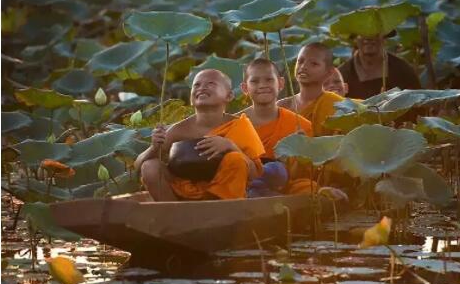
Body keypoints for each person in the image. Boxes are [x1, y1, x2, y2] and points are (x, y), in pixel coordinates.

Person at [135, 69, 265, 201]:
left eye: (210, 84)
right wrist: (154, 148)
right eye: (196, 85)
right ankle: (174, 215)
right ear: (191, 98)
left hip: (227, 199)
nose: (201, 88)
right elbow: (138, 165)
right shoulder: (179, 130)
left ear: (229, 96)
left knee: (236, 158)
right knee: (150, 166)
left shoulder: (240, 126)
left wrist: (230, 146)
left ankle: (224, 215)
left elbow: (255, 176)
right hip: (184, 193)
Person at [239, 58, 314, 197]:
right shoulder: (235, 123)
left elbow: (299, 175)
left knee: (309, 188)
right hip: (245, 185)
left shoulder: (300, 124)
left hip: (284, 186)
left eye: (269, 80)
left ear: (280, 83)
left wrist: (299, 152)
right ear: (245, 88)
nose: (262, 85)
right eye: (255, 81)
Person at [277, 42, 344, 136]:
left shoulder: (337, 106)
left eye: (314, 64)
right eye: (300, 61)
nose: (303, 67)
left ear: (329, 72)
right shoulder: (281, 106)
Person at [338, 34, 421, 99]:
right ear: (355, 39)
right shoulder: (342, 75)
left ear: (385, 38)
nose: (368, 38)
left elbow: (418, 105)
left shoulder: (402, 70)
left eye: (375, 33)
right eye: (362, 33)